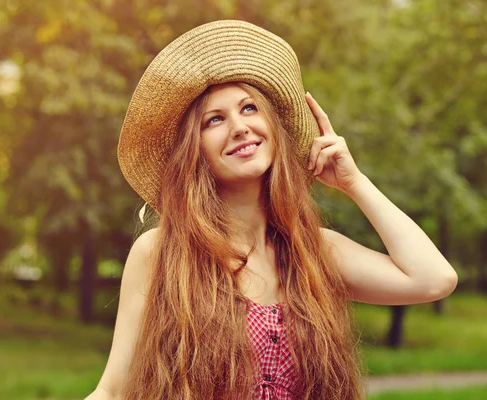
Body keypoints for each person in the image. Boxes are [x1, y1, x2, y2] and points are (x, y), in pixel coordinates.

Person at [85, 20, 457, 400]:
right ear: (193, 151)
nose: (240, 127)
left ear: (273, 127)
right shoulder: (161, 252)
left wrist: (354, 183)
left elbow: (433, 279)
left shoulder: (316, 250)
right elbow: (113, 390)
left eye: (249, 108)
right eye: (215, 119)